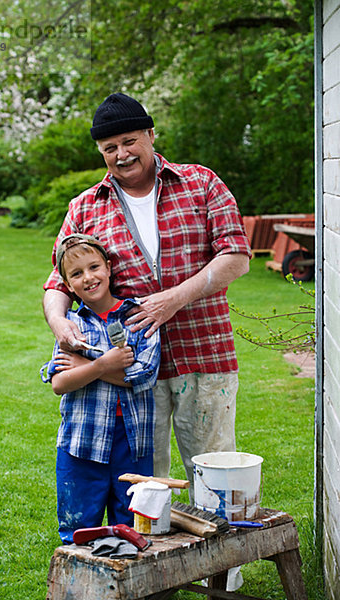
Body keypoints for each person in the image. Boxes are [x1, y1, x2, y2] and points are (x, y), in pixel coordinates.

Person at [42, 92, 252, 505]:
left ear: (151, 135)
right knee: (144, 488)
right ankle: (160, 568)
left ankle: (224, 572)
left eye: (129, 141)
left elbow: (236, 257)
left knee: (214, 474)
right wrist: (59, 322)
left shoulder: (202, 183)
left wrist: (171, 300)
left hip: (204, 353)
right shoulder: (85, 207)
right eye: (110, 148)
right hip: (130, 372)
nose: (121, 154)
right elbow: (58, 281)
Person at [41, 233, 161, 544]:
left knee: (134, 525)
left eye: (94, 267)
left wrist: (85, 366)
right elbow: (58, 382)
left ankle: (135, 590)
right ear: (67, 284)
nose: (88, 278)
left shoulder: (137, 317)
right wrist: (103, 365)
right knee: (78, 528)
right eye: (77, 274)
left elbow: (144, 376)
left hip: (132, 441)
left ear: (108, 268)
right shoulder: (71, 325)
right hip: (82, 441)